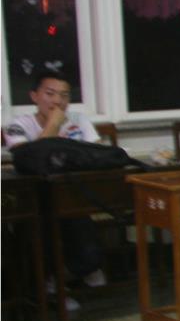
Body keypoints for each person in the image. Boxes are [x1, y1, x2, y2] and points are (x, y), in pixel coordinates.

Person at [3, 71, 106, 308]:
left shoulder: (78, 120)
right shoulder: (17, 126)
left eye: (64, 95)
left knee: (90, 250)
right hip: (35, 202)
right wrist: (54, 124)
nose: (58, 101)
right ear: (34, 96)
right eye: (50, 94)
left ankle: (62, 279)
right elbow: (31, 158)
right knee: (42, 237)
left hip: (73, 197)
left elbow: (96, 153)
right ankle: (50, 287)